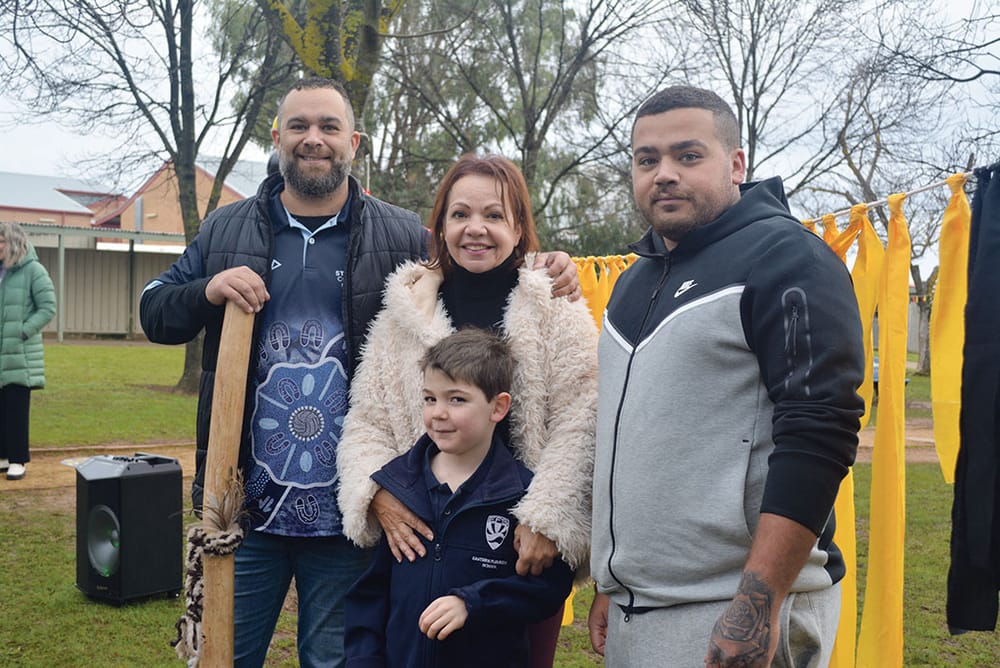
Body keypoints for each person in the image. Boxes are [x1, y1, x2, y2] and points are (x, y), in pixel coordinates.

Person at [139, 77, 580, 667]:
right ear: (276, 138)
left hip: (348, 522)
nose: (313, 139)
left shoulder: (401, 238)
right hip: (246, 509)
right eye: (299, 126)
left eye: (329, 128)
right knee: (224, 657)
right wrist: (205, 289)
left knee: (341, 661)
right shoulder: (226, 230)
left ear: (355, 141)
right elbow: (155, 311)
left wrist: (550, 264)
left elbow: (479, 250)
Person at [587, 86, 865, 668]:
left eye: (688, 156)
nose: (663, 174)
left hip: (733, 613)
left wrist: (757, 605)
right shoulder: (631, 283)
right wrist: (613, 582)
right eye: (647, 160)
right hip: (641, 609)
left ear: (736, 163)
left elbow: (818, 433)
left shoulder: (787, 258)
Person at [337, 153, 598, 668]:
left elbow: (583, 418)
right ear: (440, 226)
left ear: (519, 226)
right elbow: (368, 419)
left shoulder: (555, 306)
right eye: (460, 215)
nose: (475, 229)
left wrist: (547, 517)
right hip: (422, 542)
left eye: (494, 216)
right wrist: (379, 494)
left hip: (517, 549)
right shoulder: (406, 313)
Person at [344, 328, 575, 667]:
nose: (438, 413)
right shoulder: (398, 488)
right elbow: (370, 596)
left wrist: (473, 603)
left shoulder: (526, 498)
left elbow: (547, 590)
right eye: (430, 398)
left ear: (498, 407)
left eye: (456, 399)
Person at [0, 221, 56, 482]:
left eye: (1, 241)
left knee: (16, 408)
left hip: (20, 354)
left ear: (13, 242)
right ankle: (2, 456)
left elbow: (47, 307)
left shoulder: (33, 270)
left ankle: (17, 460)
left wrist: (23, 331)